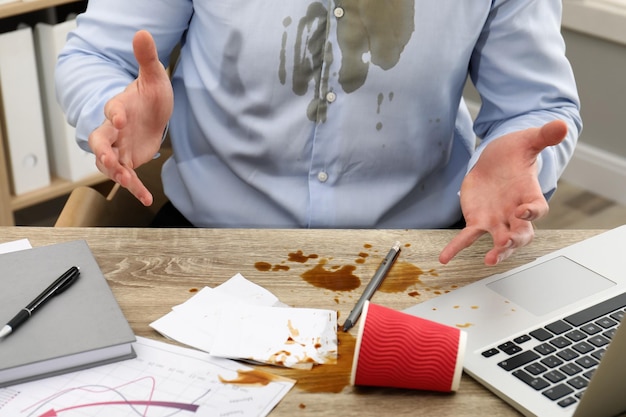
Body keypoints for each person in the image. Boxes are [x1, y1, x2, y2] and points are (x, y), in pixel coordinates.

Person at [55, 0, 581, 266]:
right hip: (208, 247)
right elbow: (96, 55)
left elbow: (536, 105)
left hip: (425, 255)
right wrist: (111, 113)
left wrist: (518, 158)